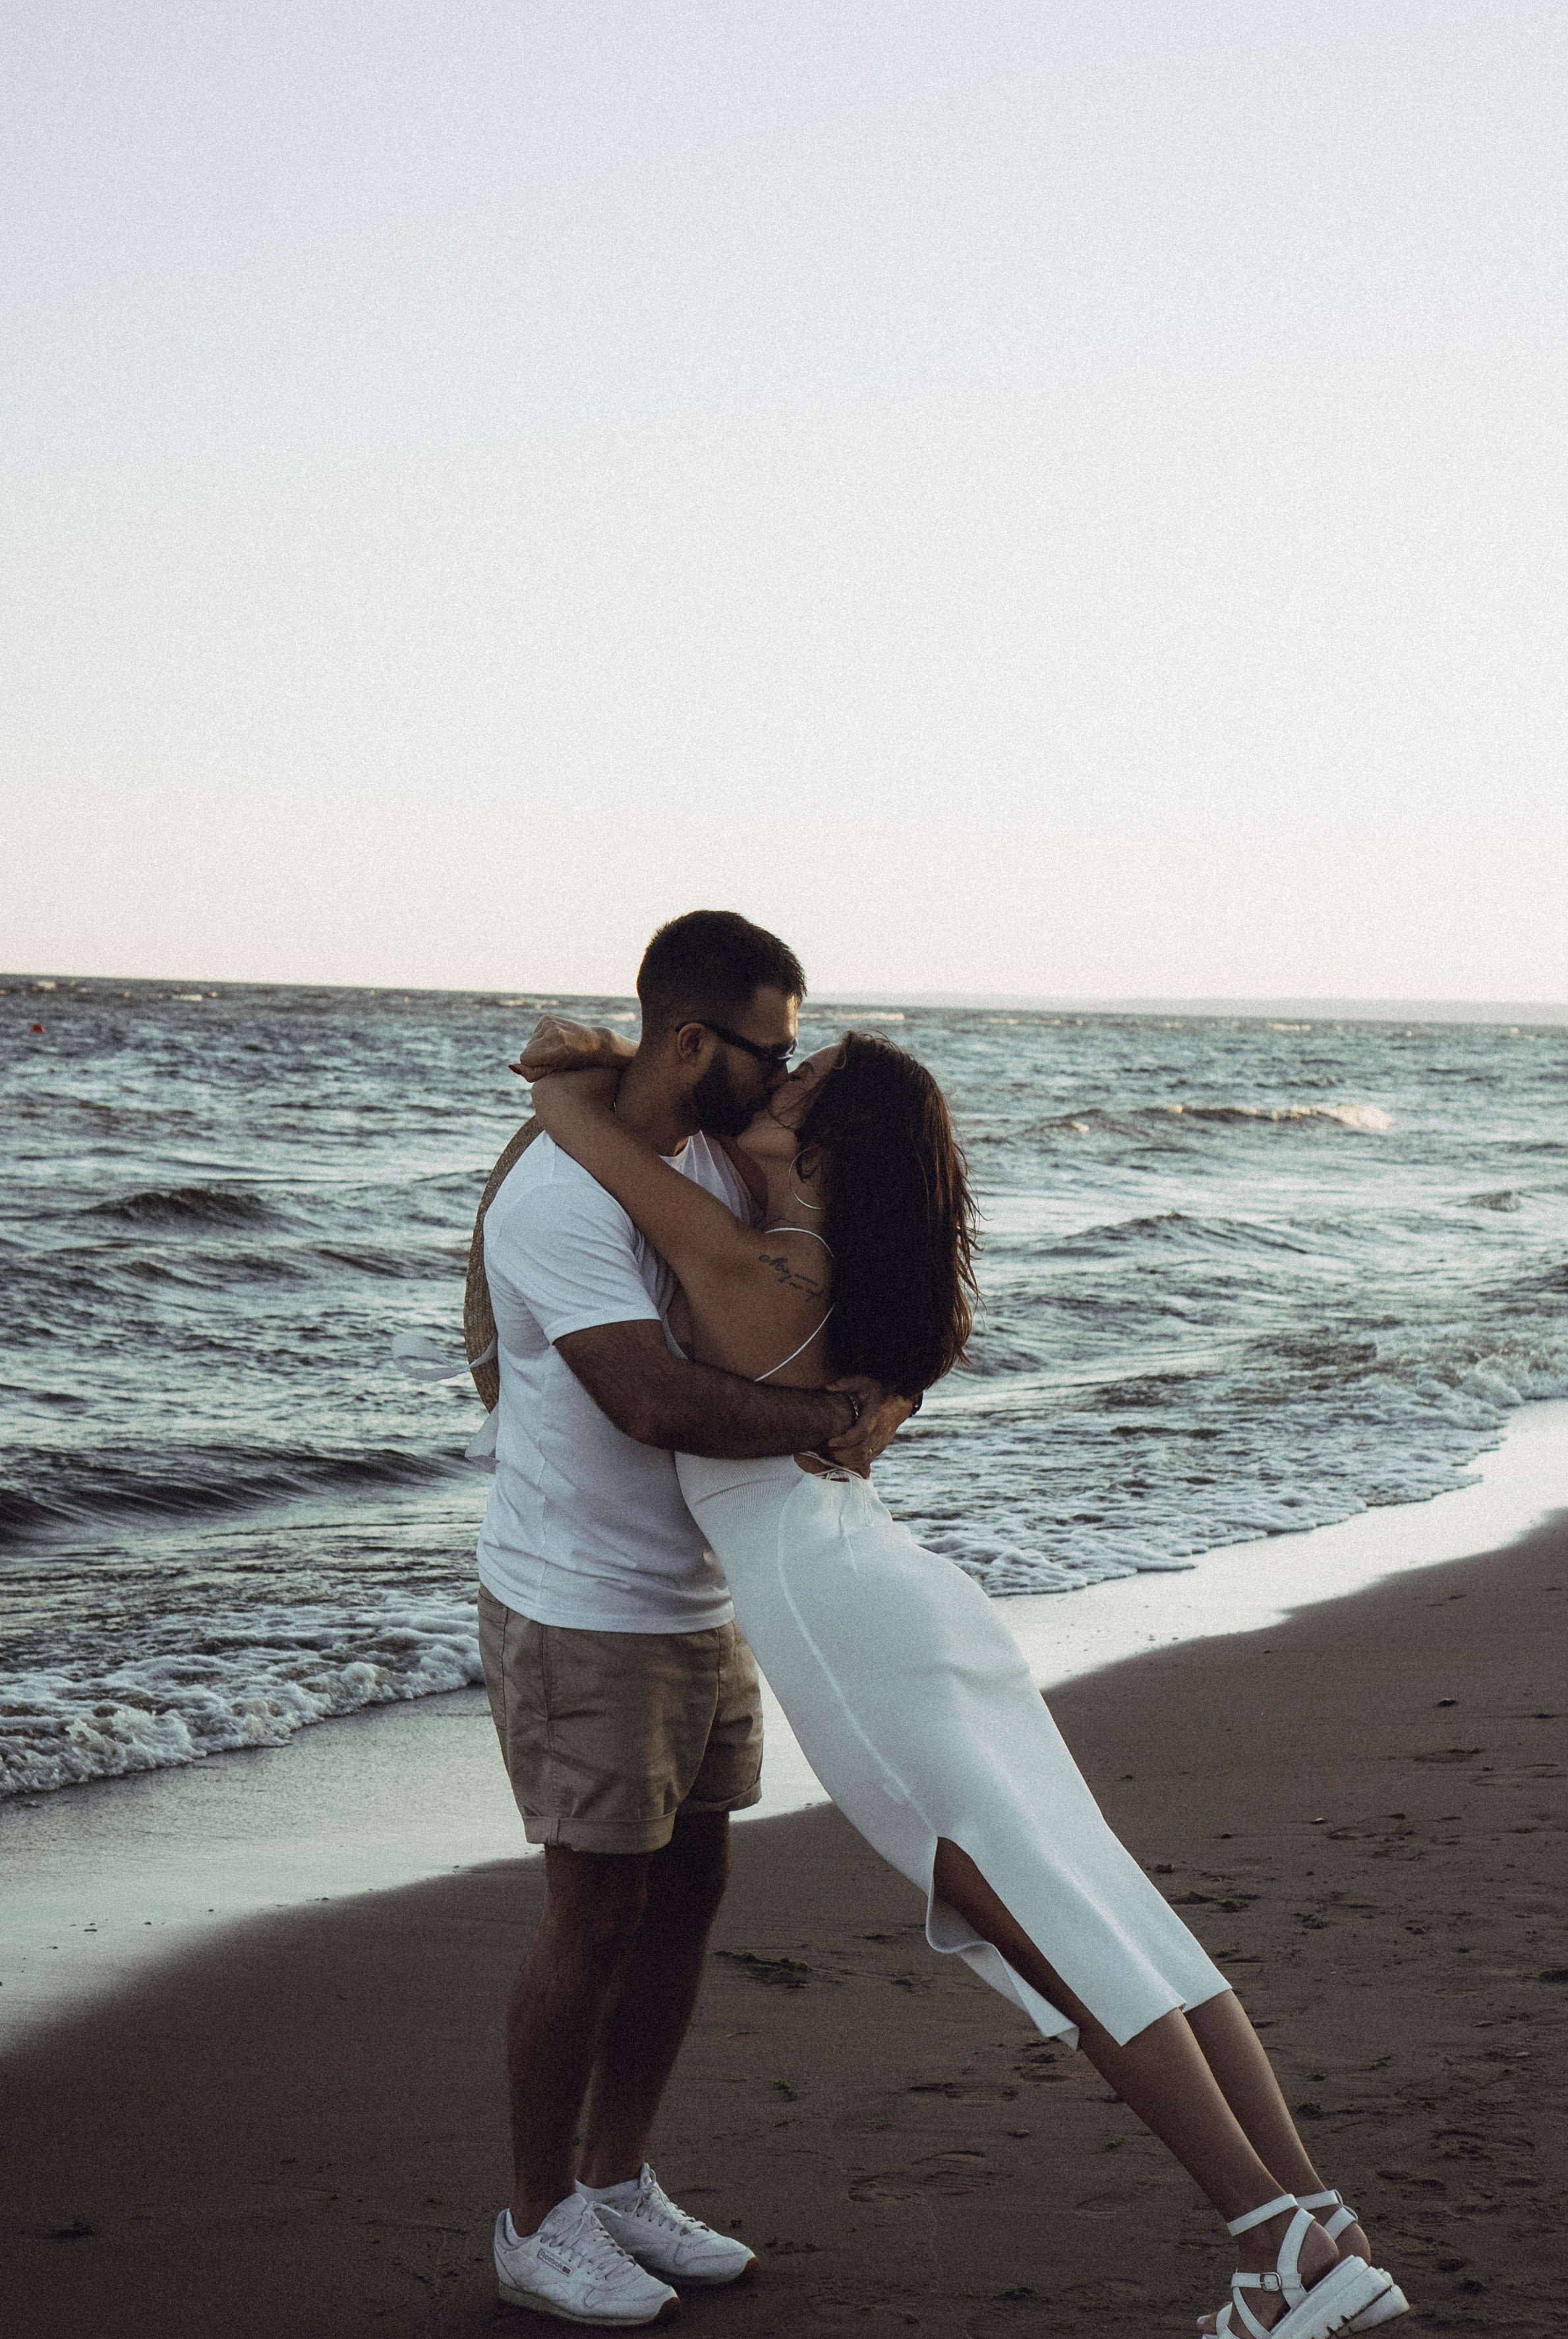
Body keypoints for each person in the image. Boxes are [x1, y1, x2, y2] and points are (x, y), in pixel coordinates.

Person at [513, 1017, 1410, 2339]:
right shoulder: (858, 1277)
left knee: (1047, 1931)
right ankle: (1311, 2220)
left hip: (847, 1625)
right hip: (896, 1597)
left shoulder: (764, 1270)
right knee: (1102, 1903)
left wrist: (557, 1079)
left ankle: (1277, 2244)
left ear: (824, 1151)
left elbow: (593, 1148)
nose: (760, 1091)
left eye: (792, 1089)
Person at [472, 912, 911, 2327]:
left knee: (689, 1895)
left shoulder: (721, 1152)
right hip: (579, 1605)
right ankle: (534, 2222)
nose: (782, 1079)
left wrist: (861, 1393)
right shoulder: (561, 1196)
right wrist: (826, 1421)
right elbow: (648, 1399)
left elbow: (800, 1293)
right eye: (768, 1048)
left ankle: (615, 2182)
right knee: (592, 1913)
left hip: (700, 1592)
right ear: (688, 1039)